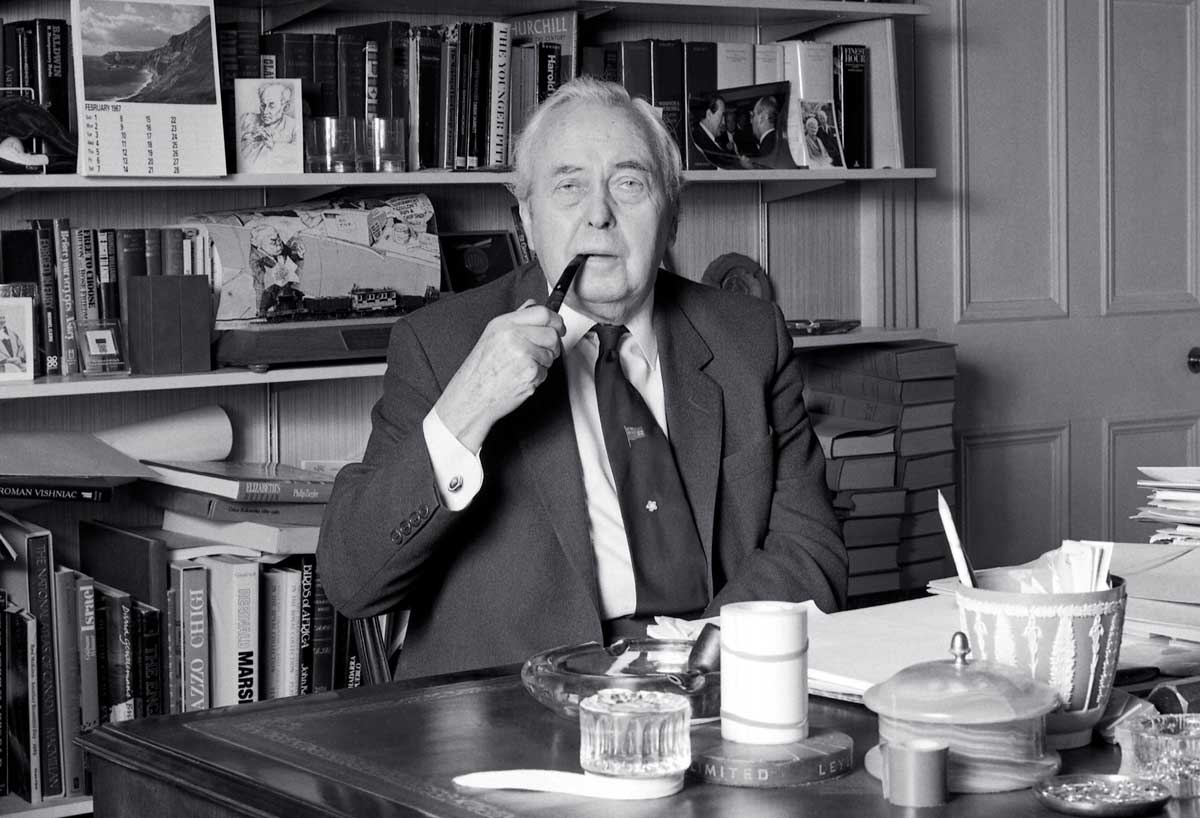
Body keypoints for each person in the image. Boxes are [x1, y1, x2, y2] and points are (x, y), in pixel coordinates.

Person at [317, 76, 847, 679]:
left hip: (714, 687)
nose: (599, 215)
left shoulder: (750, 337)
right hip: (510, 715)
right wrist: (464, 411)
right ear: (527, 217)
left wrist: (702, 658)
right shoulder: (440, 345)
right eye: (569, 187)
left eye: (629, 184)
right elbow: (352, 582)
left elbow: (811, 548)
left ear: (671, 215)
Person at [238, 82, 300, 173]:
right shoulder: (247, 120)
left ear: (285, 108)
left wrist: (273, 145)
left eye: (271, 105)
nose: (265, 111)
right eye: (263, 105)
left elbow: (297, 155)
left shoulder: (295, 126)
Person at [690, 94, 739, 169]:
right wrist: (740, 163)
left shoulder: (704, 138)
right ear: (709, 114)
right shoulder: (700, 141)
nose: (723, 122)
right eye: (721, 116)